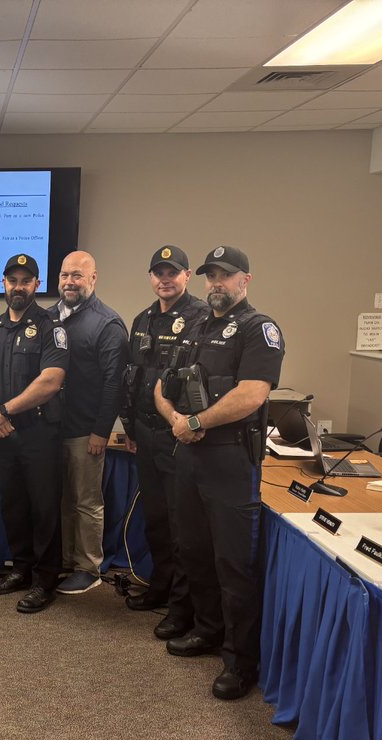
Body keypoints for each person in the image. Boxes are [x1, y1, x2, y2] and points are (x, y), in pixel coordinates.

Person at [154, 245, 284, 700]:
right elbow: (161, 385)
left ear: (245, 280)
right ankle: (207, 631)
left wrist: (195, 422)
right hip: (188, 455)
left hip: (230, 459)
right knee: (192, 550)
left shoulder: (258, 329)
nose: (216, 284)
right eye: (211, 277)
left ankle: (239, 660)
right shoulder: (192, 327)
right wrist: (175, 418)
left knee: (233, 563)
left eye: (225, 276)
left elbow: (251, 394)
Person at [0, 254, 69, 613]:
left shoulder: (50, 326)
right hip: (1, 435)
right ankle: (21, 569)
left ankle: (45, 581)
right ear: (4, 283)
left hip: (38, 432)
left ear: (37, 285)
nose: (18, 286)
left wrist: (5, 410)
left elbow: (51, 381)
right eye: (13, 280)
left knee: (43, 509)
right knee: (13, 505)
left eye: (26, 281)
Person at [119, 245, 209, 636]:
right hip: (146, 434)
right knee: (156, 519)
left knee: (181, 524)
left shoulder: (202, 318)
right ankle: (160, 587)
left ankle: (182, 607)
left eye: (172, 272)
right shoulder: (141, 319)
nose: (164, 279)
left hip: (179, 436)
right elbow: (131, 378)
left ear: (187, 276)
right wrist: (129, 427)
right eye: (158, 273)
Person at [49, 251, 128, 595]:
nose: (70, 282)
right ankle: (66, 561)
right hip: (51, 429)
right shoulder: (48, 318)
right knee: (62, 499)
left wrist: (101, 430)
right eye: (65, 275)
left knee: (86, 502)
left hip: (86, 431)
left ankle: (89, 566)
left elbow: (114, 382)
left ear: (93, 279)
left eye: (78, 276)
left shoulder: (107, 324)